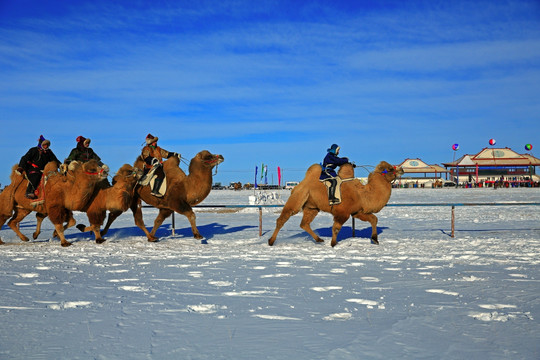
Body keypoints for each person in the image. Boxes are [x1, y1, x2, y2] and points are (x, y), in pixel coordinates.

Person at [18, 135, 60, 199]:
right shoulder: (33, 150)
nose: (46, 146)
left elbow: (54, 160)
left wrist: (61, 165)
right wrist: (21, 167)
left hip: (44, 170)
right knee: (36, 176)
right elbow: (24, 158)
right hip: (32, 169)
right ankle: (29, 192)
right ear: (41, 144)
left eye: (47, 145)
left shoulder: (49, 152)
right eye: (44, 145)